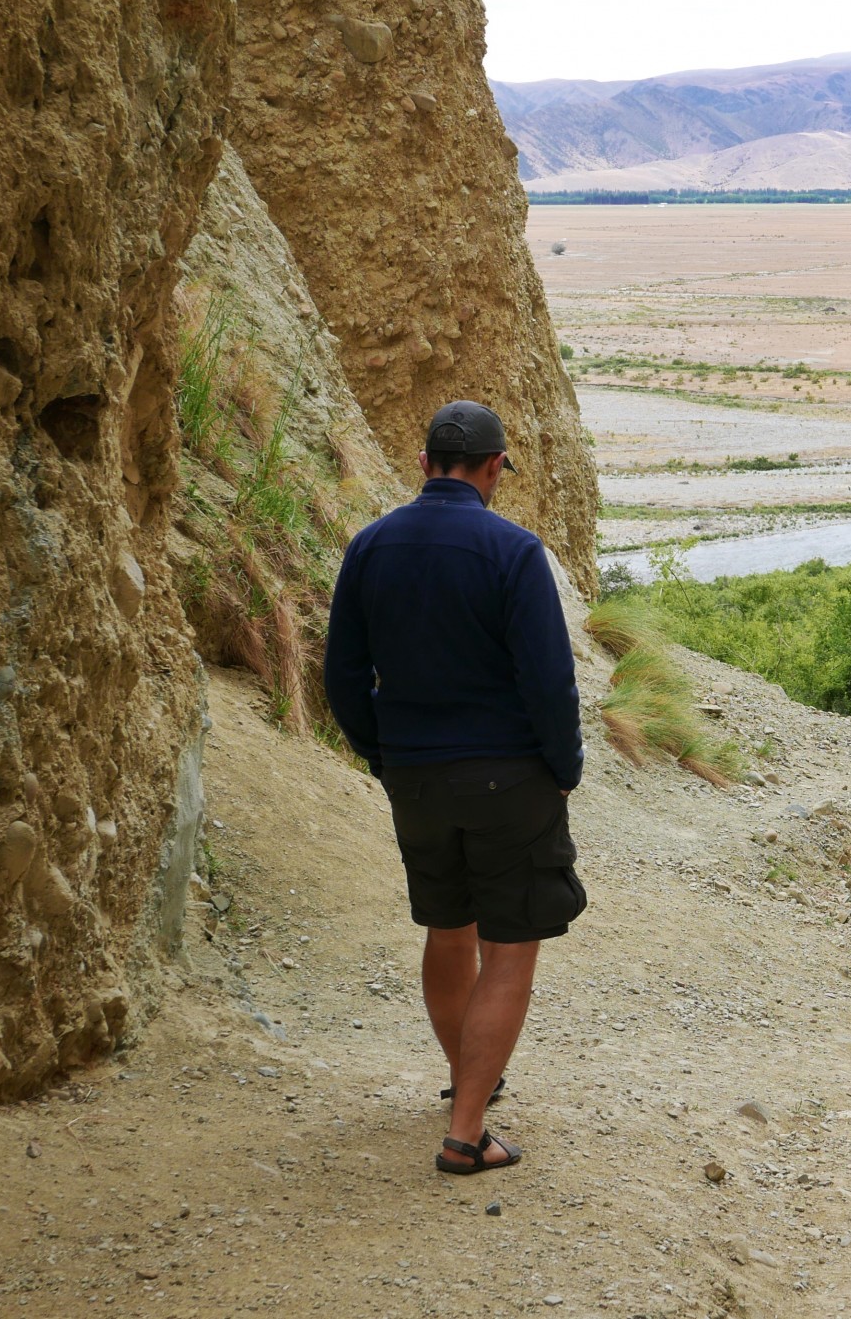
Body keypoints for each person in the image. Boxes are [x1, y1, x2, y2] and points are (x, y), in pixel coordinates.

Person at [324, 400, 587, 1175]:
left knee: (448, 930)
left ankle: (468, 1075)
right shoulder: (513, 551)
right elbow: (549, 681)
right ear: (495, 466)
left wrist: (385, 756)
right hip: (510, 778)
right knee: (510, 947)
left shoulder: (369, 546)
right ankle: (466, 1133)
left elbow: (342, 676)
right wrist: (564, 768)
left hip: (415, 778)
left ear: (424, 462)